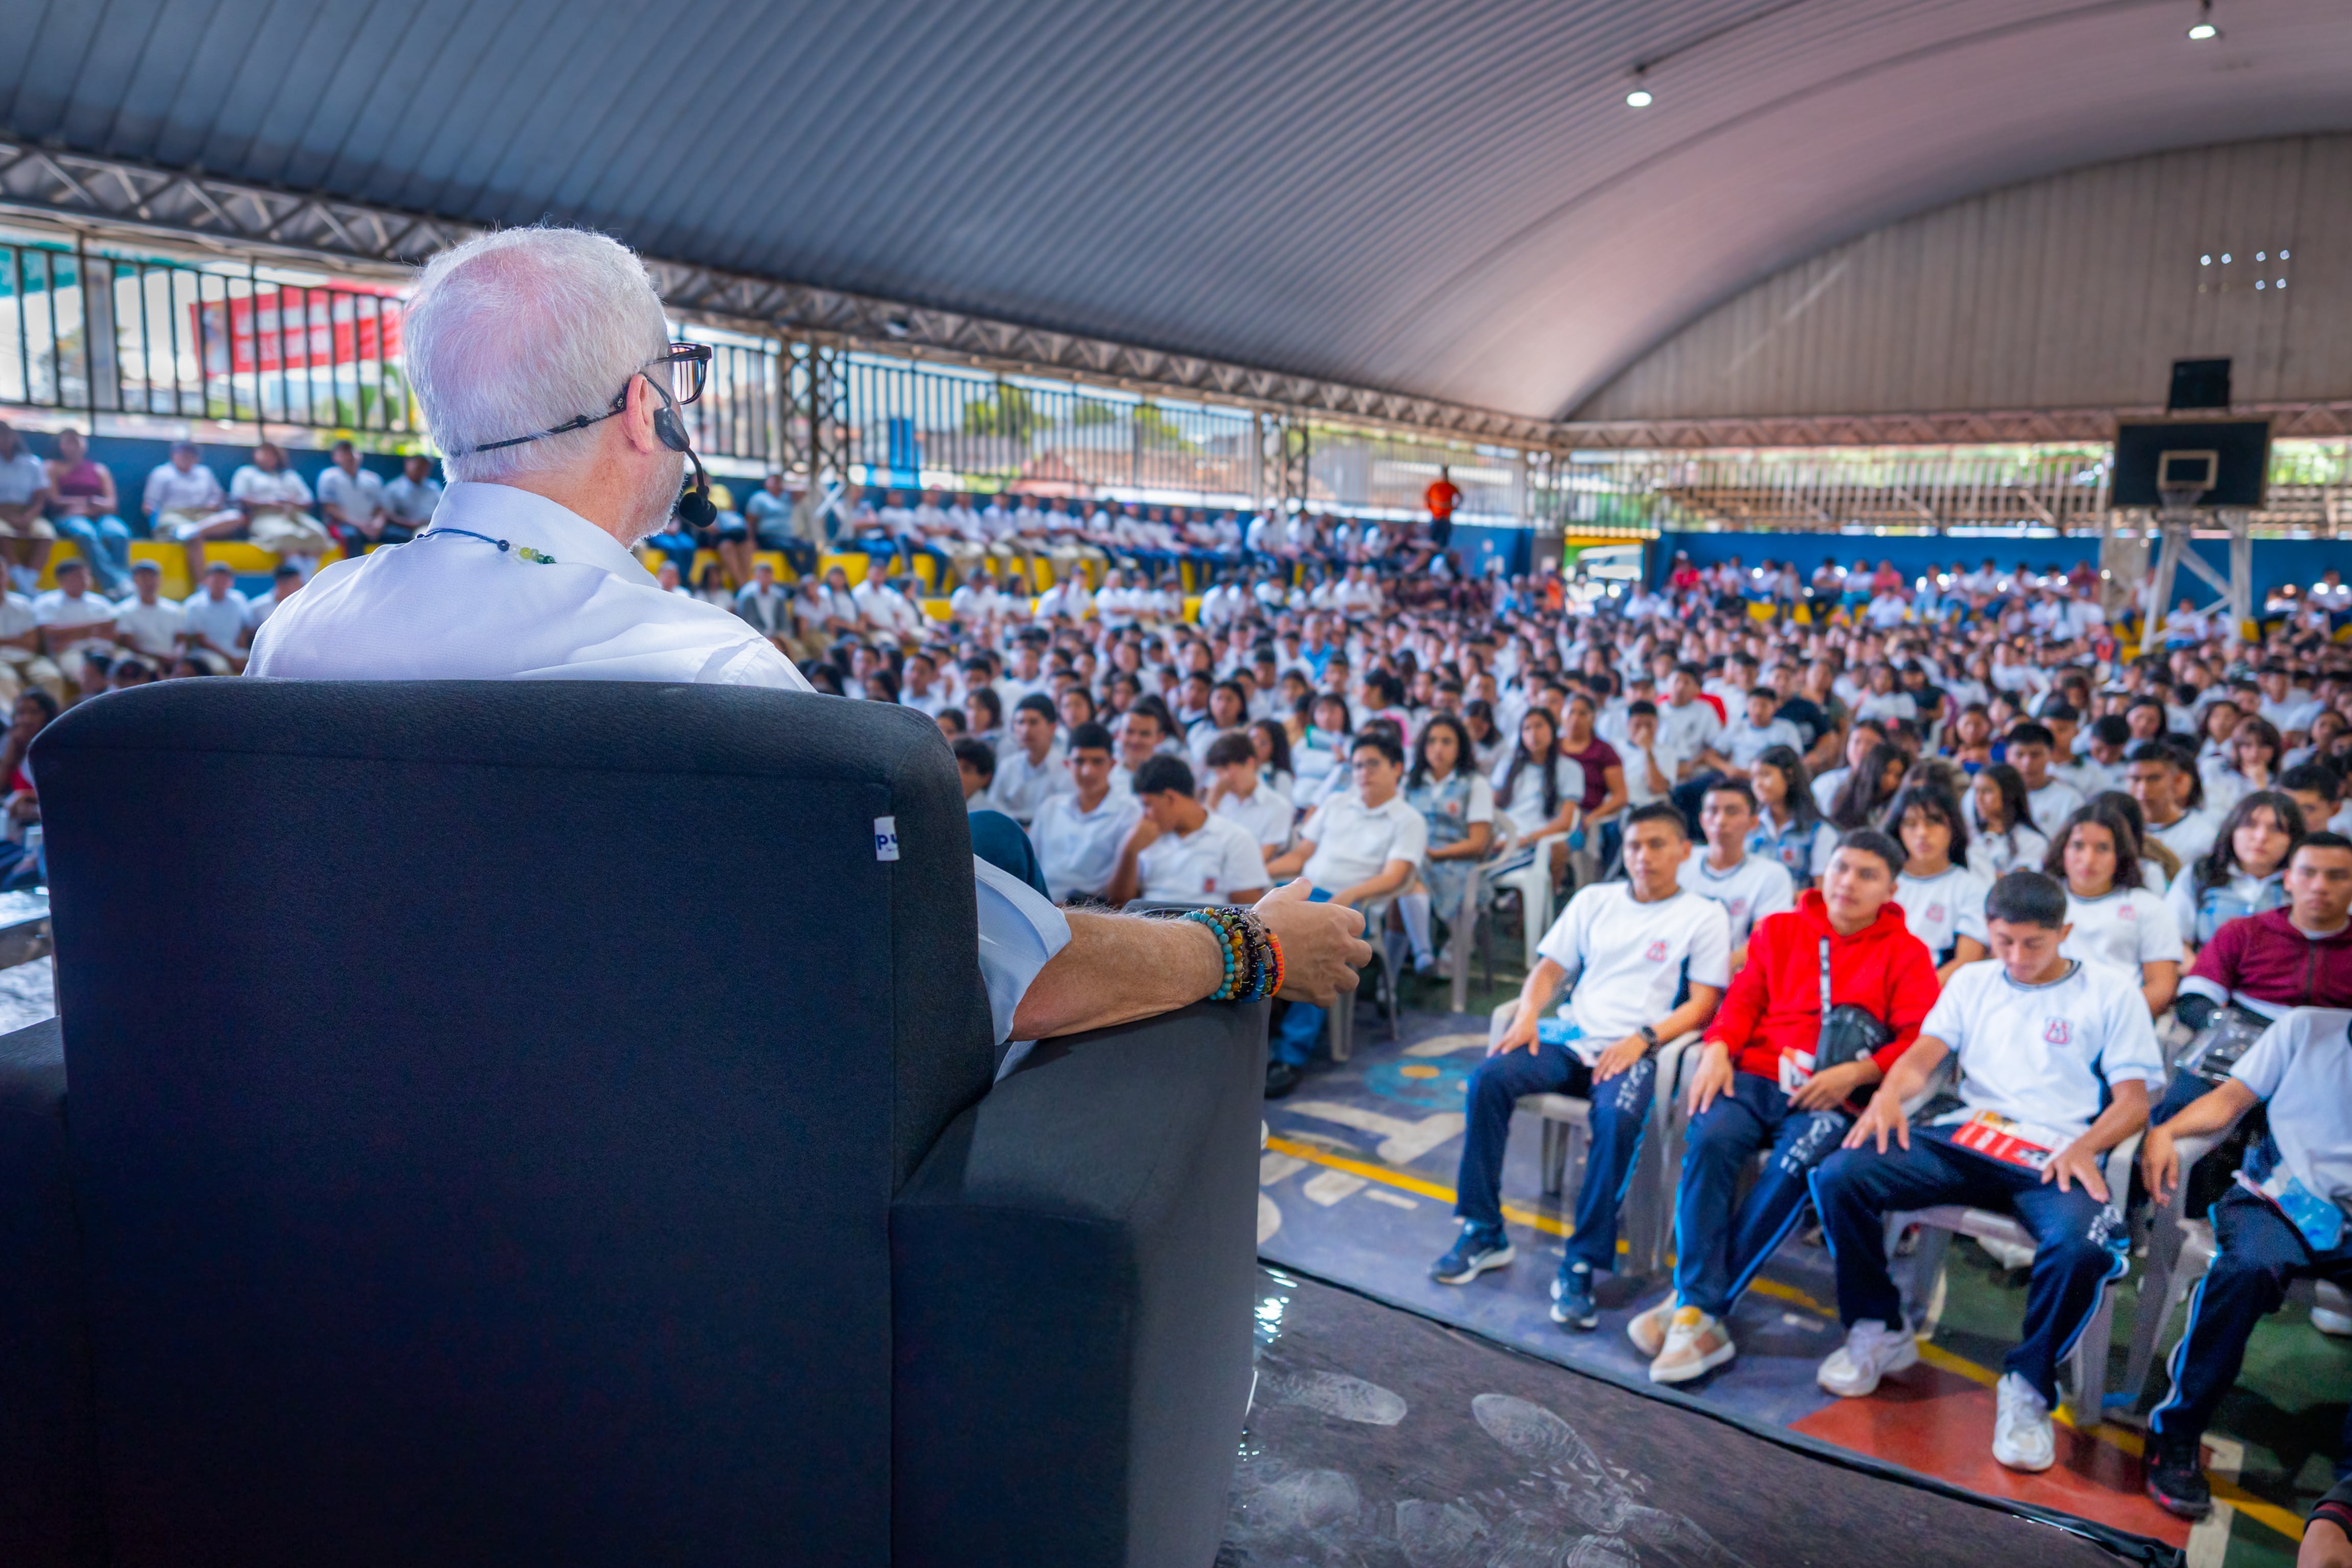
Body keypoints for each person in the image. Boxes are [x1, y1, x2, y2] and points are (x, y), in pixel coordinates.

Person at [246, 226, 1364, 1062]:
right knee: (987, 856)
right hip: (678, 1189)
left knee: (979, 837)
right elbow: (965, 980)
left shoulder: (298, 631)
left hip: (379, 1144)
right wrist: (1251, 947)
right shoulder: (705, 673)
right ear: (647, 409)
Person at [1810, 870, 2162, 1474]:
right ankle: (1878, 1325)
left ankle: (2028, 1386)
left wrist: (2086, 1145)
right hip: (1969, 1136)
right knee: (1842, 1173)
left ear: (2065, 933)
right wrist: (1891, 1094)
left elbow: (2134, 1100)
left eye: (2034, 944)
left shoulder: (2111, 992)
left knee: (2082, 1246)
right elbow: (1924, 1056)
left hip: (2054, 1152)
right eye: (2003, 942)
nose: (2017, 958)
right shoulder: (1973, 980)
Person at [1636, 830, 1937, 1383]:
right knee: (1709, 1138)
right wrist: (1719, 1048)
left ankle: (1696, 1304)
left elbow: (1918, 1038)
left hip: (1834, 1093)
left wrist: (1859, 1072)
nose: (1848, 882)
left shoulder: (1907, 953)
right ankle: (1698, 1307)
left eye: (1867, 875)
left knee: (1792, 1167)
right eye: (1842, 868)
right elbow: (1744, 998)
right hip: (1754, 1073)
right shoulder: (1779, 929)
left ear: (1893, 889)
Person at [1433, 803, 1729, 1330]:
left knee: (1616, 1122)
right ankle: (1483, 1229)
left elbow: (1703, 1004)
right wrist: (1526, 1014)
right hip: (1573, 1037)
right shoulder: (1595, 900)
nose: (1643, 856)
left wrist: (1643, 1039)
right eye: (1635, 845)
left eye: (1658, 844)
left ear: (1685, 851)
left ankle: (1581, 1262)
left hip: (1641, 1049)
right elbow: (1548, 970)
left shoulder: (1704, 915)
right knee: (1488, 1081)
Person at [2141, 1006, 2352, 1520]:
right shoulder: (2307, 1029)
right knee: (2247, 1271)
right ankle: (2177, 1432)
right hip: (2280, 1199)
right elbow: (2229, 1102)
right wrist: (2164, 1132)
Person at [1261, 732, 1429, 1097]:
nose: (1362, 773)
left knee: (1316, 941)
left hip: (1356, 905)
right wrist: (1261, 870)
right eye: (1356, 765)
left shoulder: (1408, 819)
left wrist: (1351, 893)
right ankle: (1255, 1032)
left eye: (1372, 764)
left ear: (1397, 768)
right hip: (1308, 889)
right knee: (1249, 923)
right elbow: (1301, 855)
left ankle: (1291, 1055)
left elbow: (1395, 876)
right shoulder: (1336, 803)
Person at [1398, 711, 1495, 972]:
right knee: (1401, 873)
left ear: (1460, 747)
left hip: (1458, 861)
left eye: (1446, 741)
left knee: (1404, 874)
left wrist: (1435, 853)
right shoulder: (1411, 783)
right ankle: (1422, 954)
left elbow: (1478, 843)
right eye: (1431, 742)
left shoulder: (1475, 784)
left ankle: (1423, 952)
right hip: (1417, 857)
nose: (1437, 748)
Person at [1107, 753, 1269, 908]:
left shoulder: (1235, 840)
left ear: (1170, 798)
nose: (1144, 815)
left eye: (1148, 805)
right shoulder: (1144, 837)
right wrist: (1129, 851)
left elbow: (1247, 915)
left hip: (1207, 933)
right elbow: (1118, 907)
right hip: (1147, 929)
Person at [1675, 777, 1794, 971]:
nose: (1720, 821)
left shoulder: (1772, 874)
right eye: (1713, 811)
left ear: (1753, 822)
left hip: (1733, 973)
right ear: (1702, 820)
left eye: (1732, 812)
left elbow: (1768, 939)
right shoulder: (1679, 862)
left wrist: (1713, 970)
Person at [2165, 791, 2304, 955]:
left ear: (2293, 839)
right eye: (2251, 825)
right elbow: (2173, 941)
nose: (2261, 837)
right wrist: (2205, 975)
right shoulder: (2201, 873)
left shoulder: (2303, 880)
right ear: (2232, 830)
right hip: (2206, 975)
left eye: (2276, 829)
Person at [1886, 781, 1989, 980]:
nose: (1922, 833)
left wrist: (1912, 998)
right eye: (1911, 823)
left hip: (1934, 995)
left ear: (1953, 827)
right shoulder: (1881, 883)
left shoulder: (1971, 889)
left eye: (1933, 822)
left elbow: (1966, 962)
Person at [42, 427, 131, 593]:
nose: (74, 445)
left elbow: (111, 504)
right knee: (86, 534)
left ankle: (124, 581)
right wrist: (84, 504)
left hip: (99, 515)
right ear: (60, 446)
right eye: (68, 441)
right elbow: (54, 500)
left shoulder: (99, 469)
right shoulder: (51, 467)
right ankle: (112, 584)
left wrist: (90, 508)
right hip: (68, 516)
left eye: (77, 440)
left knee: (119, 533)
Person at [142, 440, 242, 587]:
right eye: (183, 454)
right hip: (173, 516)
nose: (187, 458)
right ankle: (202, 584)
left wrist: (214, 504)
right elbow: (149, 505)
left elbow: (218, 497)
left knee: (235, 516)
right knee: (194, 538)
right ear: (174, 455)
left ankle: (192, 530)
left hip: (202, 516)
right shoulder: (161, 473)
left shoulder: (205, 473)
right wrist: (152, 518)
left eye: (191, 455)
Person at [1748, 744, 1837, 889]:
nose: (1758, 784)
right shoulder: (1751, 826)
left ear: (1789, 775)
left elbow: (1821, 891)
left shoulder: (1818, 831)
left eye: (1765, 775)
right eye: (1754, 778)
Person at [230, 443, 330, 572]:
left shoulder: (290, 476)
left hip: (295, 515)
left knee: (319, 533)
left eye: (270, 454)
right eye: (262, 453)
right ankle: (299, 580)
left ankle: (306, 577)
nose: (266, 457)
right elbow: (238, 497)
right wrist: (267, 503)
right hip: (264, 516)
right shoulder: (246, 473)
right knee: (287, 536)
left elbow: (308, 500)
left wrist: (291, 501)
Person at [1204, 731, 1293, 863]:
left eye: (1226, 769)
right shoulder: (1218, 800)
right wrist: (1212, 801)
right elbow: (1197, 842)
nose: (1223, 779)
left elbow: (1262, 860)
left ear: (1250, 764)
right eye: (1218, 773)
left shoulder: (1279, 806)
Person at [2125, 742, 2217, 866]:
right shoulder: (2119, 828)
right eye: (2136, 780)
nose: (2143, 789)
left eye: (2154, 779)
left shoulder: (2203, 836)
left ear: (2177, 781)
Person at [988, 693, 1070, 825]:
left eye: (1034, 722)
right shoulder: (1007, 766)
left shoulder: (1066, 768)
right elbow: (994, 807)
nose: (1026, 730)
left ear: (1052, 728)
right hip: (1013, 833)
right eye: (1020, 723)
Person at [316, 439, 396, 562]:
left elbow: (381, 508)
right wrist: (360, 525)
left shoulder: (373, 479)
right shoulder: (328, 477)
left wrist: (378, 523)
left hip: (371, 526)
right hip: (345, 526)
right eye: (344, 453)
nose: (350, 457)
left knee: (399, 536)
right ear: (335, 457)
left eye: (352, 452)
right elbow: (329, 507)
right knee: (352, 536)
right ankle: (358, 577)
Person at [0, 422, 57, 590]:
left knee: (46, 534)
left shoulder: (32, 463)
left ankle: (29, 582)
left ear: (14, 437)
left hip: (30, 512)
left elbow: (41, 497)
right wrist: (8, 516)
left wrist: (28, 516)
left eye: (6, 435)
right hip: (2, 513)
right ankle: (20, 580)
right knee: (3, 534)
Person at [1968, 763, 2049, 880]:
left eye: (1987, 791)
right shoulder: (1971, 839)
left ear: (2009, 794)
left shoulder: (2033, 841)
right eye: (1976, 791)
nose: (1979, 799)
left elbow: (2016, 884)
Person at [177, 560, 252, 673]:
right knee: (220, 669)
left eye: (224, 580)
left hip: (234, 650)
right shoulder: (194, 604)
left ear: (231, 582)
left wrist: (241, 650)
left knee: (257, 665)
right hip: (206, 653)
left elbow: (244, 629)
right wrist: (231, 659)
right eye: (216, 580)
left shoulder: (239, 599)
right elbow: (201, 640)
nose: (220, 585)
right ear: (206, 581)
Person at [382, 454, 445, 536]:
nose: (423, 469)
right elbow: (389, 515)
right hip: (411, 530)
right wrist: (412, 524)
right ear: (408, 464)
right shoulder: (394, 488)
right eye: (419, 466)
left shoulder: (434, 487)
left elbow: (444, 508)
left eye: (426, 466)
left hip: (437, 526)